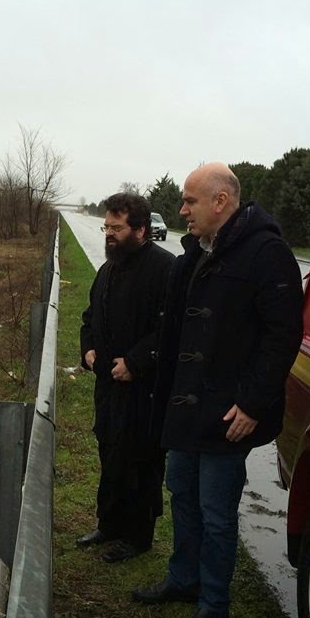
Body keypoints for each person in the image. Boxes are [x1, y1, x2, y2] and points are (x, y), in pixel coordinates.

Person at [132, 164, 303, 618]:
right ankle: (183, 579)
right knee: (181, 492)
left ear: (220, 202)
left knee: (215, 509)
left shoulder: (267, 253)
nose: (182, 209)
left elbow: (283, 334)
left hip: (229, 414)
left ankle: (213, 603)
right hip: (186, 409)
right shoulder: (196, 251)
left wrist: (251, 403)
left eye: (189, 200)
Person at [78, 192, 175, 562]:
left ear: (140, 229)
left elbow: (168, 329)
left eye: (116, 228)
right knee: (110, 452)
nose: (108, 234)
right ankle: (110, 524)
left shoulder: (164, 269)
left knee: (141, 461)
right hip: (108, 386)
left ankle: (138, 536)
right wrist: (87, 349)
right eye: (106, 226)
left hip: (143, 390)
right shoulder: (108, 268)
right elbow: (90, 316)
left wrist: (135, 362)